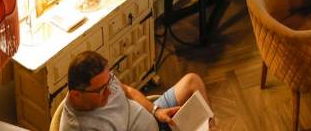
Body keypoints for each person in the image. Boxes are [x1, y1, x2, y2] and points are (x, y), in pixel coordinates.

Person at [60, 51, 211, 131]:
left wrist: (156, 111)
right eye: (102, 90)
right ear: (76, 95)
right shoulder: (77, 127)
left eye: (109, 82)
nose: (110, 92)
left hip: (154, 117)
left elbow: (127, 91)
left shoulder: (102, 81)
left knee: (193, 81)